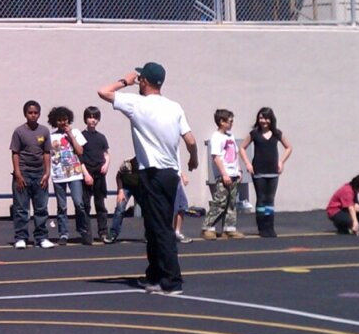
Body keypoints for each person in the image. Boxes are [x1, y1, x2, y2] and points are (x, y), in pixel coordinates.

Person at [98, 62, 199, 295]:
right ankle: (154, 275)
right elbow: (191, 140)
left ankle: (172, 281)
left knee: (161, 228)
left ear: (144, 81)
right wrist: (193, 159)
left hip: (152, 172)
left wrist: (124, 81)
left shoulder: (137, 103)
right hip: (170, 174)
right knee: (153, 227)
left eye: (140, 79)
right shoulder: (174, 107)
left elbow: (103, 92)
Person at [241, 106, 294, 238]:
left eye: (266, 118)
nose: (263, 121)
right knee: (261, 199)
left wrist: (281, 162)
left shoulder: (277, 133)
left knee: (270, 199)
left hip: (273, 171)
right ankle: (262, 227)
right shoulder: (254, 133)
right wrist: (247, 163)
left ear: (271, 119)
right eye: (261, 118)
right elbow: (242, 148)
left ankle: (270, 227)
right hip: (258, 170)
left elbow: (289, 147)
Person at [9, 100, 53, 249]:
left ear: (39, 114)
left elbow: (47, 152)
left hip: (40, 174)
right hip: (23, 174)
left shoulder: (44, 131)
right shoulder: (19, 131)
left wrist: (47, 173)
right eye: (30, 113)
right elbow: (15, 153)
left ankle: (41, 237)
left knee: (41, 208)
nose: (33, 115)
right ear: (25, 114)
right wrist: (18, 174)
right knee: (21, 208)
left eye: (35, 113)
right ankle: (21, 237)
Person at [47, 106, 93, 245]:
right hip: (58, 174)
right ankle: (63, 234)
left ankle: (83, 230)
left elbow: (80, 151)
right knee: (62, 206)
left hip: (75, 173)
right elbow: (47, 155)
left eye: (65, 119)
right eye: (60, 120)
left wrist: (71, 135)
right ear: (55, 121)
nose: (63, 122)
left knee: (79, 203)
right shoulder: (51, 136)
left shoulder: (76, 132)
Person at [203, 108, 248, 240]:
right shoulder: (216, 137)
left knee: (231, 203)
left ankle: (229, 229)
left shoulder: (230, 136)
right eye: (230, 121)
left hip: (233, 173)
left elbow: (235, 153)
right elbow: (216, 157)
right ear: (221, 122)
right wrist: (224, 174)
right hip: (224, 175)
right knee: (220, 202)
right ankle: (208, 227)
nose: (232, 124)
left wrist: (238, 169)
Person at [79, 105, 111, 229]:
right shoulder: (81, 136)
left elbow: (107, 154)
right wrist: (85, 174)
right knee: (85, 204)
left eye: (95, 118)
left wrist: (106, 164)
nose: (92, 120)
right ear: (85, 119)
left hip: (99, 174)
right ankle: (86, 230)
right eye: (90, 117)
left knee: (100, 204)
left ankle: (103, 231)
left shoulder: (101, 137)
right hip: (86, 173)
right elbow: (79, 157)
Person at [105, 157, 141, 244]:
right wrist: (120, 190)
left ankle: (150, 234)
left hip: (140, 187)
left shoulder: (146, 166)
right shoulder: (127, 164)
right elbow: (119, 176)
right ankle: (113, 233)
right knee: (120, 208)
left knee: (149, 210)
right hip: (126, 187)